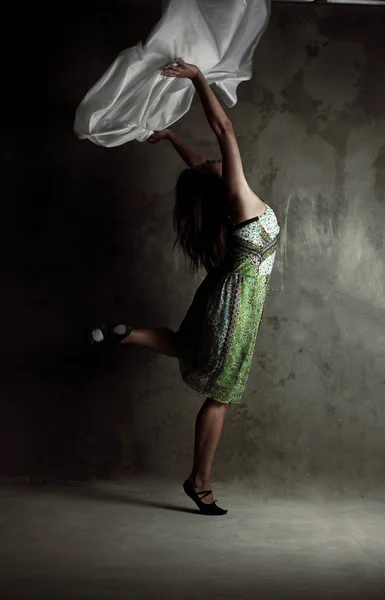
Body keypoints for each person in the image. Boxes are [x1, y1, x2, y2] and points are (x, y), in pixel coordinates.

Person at [89, 59, 280, 516]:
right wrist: (197, 78)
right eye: (213, 163)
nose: (212, 160)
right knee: (223, 394)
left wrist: (173, 138)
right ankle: (200, 481)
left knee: (187, 345)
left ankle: (127, 334)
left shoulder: (228, 196)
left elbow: (201, 165)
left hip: (221, 294)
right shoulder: (237, 196)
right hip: (237, 305)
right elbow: (224, 129)